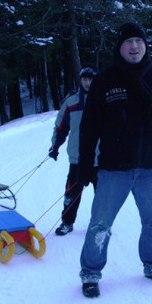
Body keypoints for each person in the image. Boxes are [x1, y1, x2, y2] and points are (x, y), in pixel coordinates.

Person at [75, 22, 152, 298]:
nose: (134, 46)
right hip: (114, 169)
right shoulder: (105, 81)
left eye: (139, 41)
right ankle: (90, 274)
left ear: (145, 45)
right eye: (128, 42)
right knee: (100, 224)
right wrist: (85, 164)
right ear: (119, 47)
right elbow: (89, 127)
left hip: (150, 168)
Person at [48, 64, 97, 235]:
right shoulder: (71, 102)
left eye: (90, 79)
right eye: (84, 79)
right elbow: (60, 127)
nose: (87, 82)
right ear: (80, 80)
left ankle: (100, 225)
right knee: (71, 193)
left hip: (100, 158)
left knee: (103, 197)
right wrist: (55, 147)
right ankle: (67, 222)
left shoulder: (103, 99)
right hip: (78, 158)